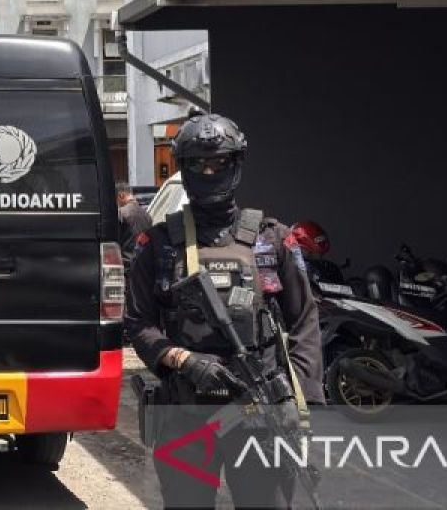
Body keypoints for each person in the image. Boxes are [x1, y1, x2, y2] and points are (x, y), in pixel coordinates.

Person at [126, 112, 323, 509]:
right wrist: (181, 358)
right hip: (185, 413)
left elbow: (305, 321)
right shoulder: (159, 244)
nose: (210, 170)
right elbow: (138, 322)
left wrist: (296, 398)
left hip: (257, 412)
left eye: (220, 162)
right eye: (199, 163)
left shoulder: (273, 240)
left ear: (236, 164)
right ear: (184, 167)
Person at [116, 182, 153, 263]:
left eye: (116, 200)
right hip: (144, 261)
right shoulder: (146, 215)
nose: (117, 203)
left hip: (127, 263)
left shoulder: (121, 213)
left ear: (121, 196)